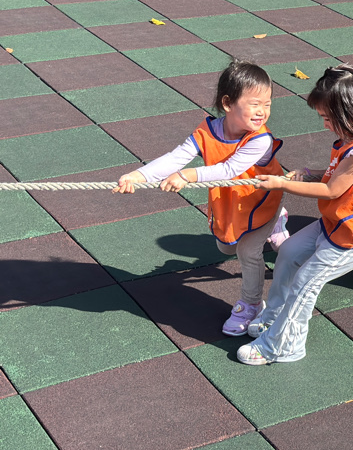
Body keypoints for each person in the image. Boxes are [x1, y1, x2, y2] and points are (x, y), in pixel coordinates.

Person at [114, 60, 288, 337]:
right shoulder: (207, 131)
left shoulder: (260, 139)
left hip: (261, 200)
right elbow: (176, 158)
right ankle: (277, 226)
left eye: (267, 104)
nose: (262, 111)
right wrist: (139, 175)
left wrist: (188, 176)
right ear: (228, 103)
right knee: (226, 248)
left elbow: (229, 169)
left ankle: (251, 304)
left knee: (247, 252)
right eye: (255, 104)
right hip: (231, 202)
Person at [236, 64, 353, 365]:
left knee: (305, 284)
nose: (324, 125)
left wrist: (282, 184)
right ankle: (275, 316)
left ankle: (282, 346)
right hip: (337, 222)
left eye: (328, 118)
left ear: (349, 114)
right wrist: (312, 172)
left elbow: (333, 190)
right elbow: (341, 176)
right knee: (289, 252)